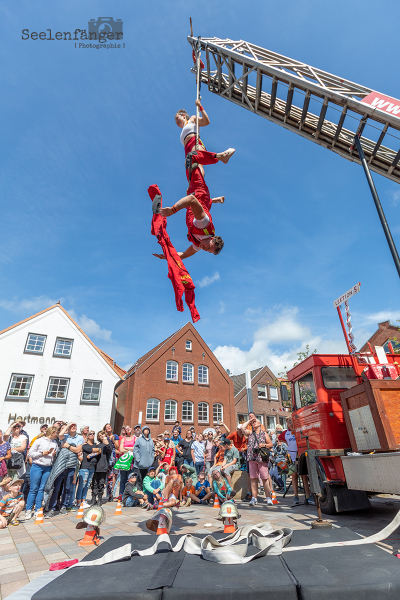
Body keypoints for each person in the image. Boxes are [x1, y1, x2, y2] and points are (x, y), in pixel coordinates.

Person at [175, 102, 235, 173]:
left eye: (177, 118)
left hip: (194, 142)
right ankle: (195, 184)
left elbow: (206, 121)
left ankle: (222, 156)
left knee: (198, 163)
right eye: (176, 122)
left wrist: (200, 107)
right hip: (187, 149)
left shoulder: (192, 119)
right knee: (191, 170)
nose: (177, 122)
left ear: (183, 115)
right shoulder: (182, 133)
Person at [44, 422, 83, 518]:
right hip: (61, 465)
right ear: (68, 428)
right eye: (71, 426)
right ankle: (52, 508)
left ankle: (64, 506)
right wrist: (68, 424)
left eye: (75, 426)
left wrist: (68, 446)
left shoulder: (80, 438)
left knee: (67, 488)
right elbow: (60, 434)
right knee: (56, 487)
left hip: (71, 466)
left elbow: (78, 450)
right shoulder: (64, 436)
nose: (73, 427)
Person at [278, 417, 315, 506]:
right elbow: (280, 439)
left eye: (290, 420)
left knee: (304, 476)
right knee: (294, 476)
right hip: (291, 457)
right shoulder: (285, 433)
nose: (289, 422)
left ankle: (308, 496)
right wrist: (287, 445)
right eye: (287, 421)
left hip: (301, 456)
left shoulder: (299, 430)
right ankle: (296, 497)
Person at [25, 426, 58, 519]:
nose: (57, 435)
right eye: (56, 433)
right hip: (37, 466)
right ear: (52, 432)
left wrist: (52, 455)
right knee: (33, 488)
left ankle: (38, 510)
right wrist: (42, 453)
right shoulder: (39, 441)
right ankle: (28, 510)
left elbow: (51, 456)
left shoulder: (54, 442)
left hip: (48, 467)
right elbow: (30, 454)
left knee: (42, 489)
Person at [243, 416, 273, 506]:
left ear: (260, 424)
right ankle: (254, 498)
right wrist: (249, 420)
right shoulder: (250, 433)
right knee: (253, 478)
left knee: (264, 478)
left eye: (255, 422)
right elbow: (242, 428)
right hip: (252, 458)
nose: (253, 423)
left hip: (261, 458)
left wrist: (264, 445)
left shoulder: (264, 434)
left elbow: (270, 444)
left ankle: (268, 497)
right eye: (253, 423)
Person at [76, 430, 101, 508]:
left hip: (92, 467)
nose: (92, 435)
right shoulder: (85, 444)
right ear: (87, 436)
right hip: (85, 467)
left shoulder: (95, 444)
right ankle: (78, 501)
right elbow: (90, 449)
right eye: (90, 434)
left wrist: (92, 455)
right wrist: (96, 450)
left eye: (94, 434)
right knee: (82, 484)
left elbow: (99, 450)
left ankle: (83, 500)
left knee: (87, 485)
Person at [91, 431, 112, 506]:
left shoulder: (108, 444)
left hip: (103, 466)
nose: (101, 436)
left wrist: (107, 443)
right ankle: (93, 499)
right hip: (96, 466)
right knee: (94, 483)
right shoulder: (97, 445)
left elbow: (110, 451)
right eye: (100, 435)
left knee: (101, 483)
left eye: (103, 434)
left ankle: (99, 499)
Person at [117, 425, 137, 497]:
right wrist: (130, 449)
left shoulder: (135, 439)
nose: (127, 429)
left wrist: (127, 448)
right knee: (123, 479)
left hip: (131, 462)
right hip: (124, 462)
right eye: (126, 429)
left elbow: (135, 449)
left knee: (130, 479)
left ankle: (129, 495)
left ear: (131, 429)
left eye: (128, 428)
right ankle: (121, 495)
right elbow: (121, 450)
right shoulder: (123, 439)